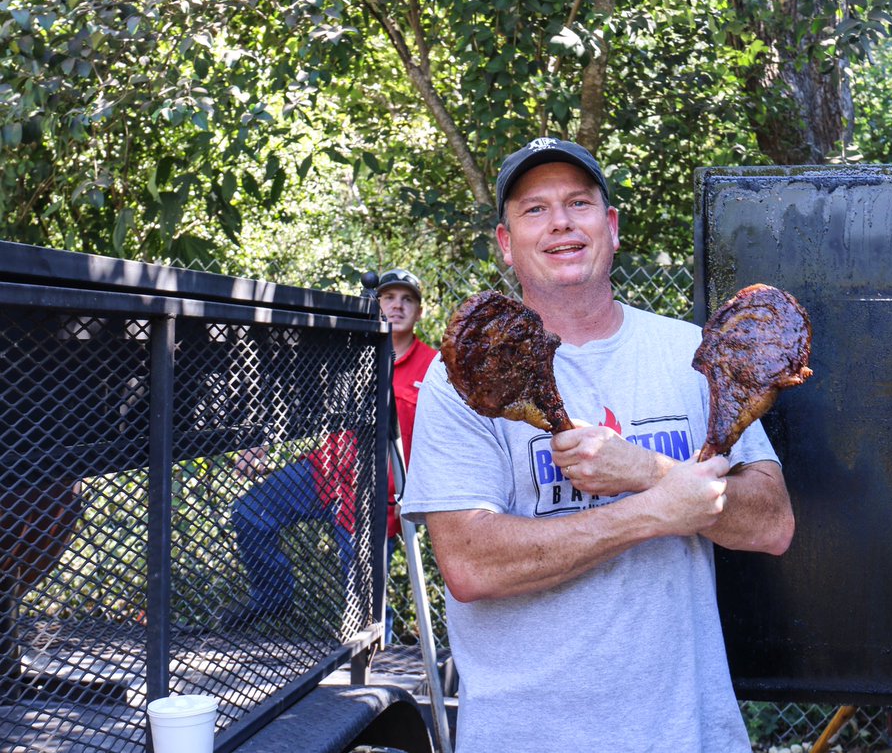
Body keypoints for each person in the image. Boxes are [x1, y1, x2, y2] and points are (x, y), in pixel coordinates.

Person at [402, 137, 795, 751]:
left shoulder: (690, 353)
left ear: (610, 227)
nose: (560, 222)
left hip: (688, 733)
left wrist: (648, 470)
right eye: (534, 209)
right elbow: (471, 563)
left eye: (578, 203)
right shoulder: (463, 380)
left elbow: (772, 524)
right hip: (531, 738)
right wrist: (653, 512)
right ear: (506, 242)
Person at [222, 431, 358, 629]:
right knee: (248, 510)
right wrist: (259, 442)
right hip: (329, 466)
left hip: (374, 485)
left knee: (362, 587)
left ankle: (373, 640)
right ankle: (272, 597)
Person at [375, 267, 438, 642]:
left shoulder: (435, 366)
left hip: (392, 497)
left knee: (367, 596)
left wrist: (418, 489)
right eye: (388, 298)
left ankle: (376, 653)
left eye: (407, 299)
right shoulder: (349, 354)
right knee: (253, 513)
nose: (396, 306)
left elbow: (446, 440)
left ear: (419, 312)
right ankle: (273, 603)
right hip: (332, 479)